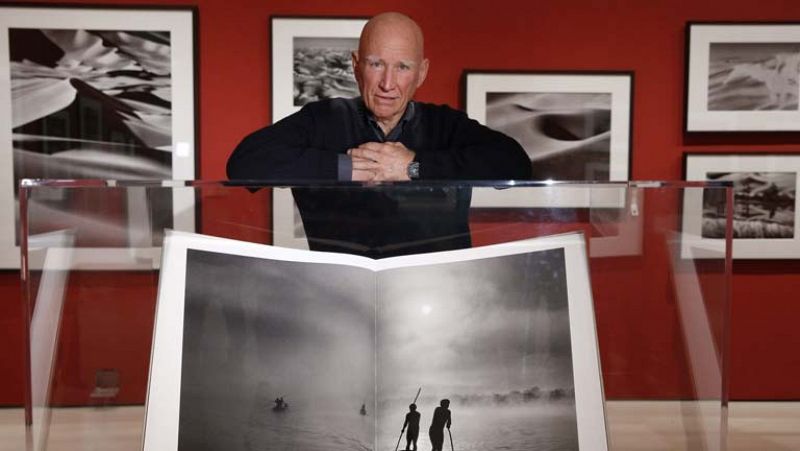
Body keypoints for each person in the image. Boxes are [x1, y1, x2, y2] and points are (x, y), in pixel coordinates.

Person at [227, 12, 530, 257]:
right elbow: (244, 163)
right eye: (376, 64)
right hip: (340, 300)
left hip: (436, 300)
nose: (388, 83)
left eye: (402, 67)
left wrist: (414, 167)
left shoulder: (445, 124)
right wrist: (342, 167)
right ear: (356, 66)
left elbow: (516, 164)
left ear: (421, 73)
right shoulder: (322, 120)